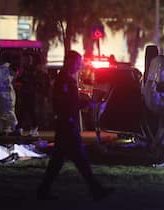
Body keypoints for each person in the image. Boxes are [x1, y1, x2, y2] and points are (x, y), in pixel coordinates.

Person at [37, 50, 112, 200]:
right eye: (77, 62)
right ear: (70, 61)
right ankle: (96, 190)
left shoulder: (66, 79)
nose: (79, 66)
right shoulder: (64, 80)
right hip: (67, 124)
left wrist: (85, 103)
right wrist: (74, 112)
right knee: (78, 159)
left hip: (66, 123)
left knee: (61, 160)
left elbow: (70, 102)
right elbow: (63, 103)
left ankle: (44, 190)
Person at [0, 55, 18, 136]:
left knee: (5, 111)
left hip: (4, 93)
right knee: (6, 111)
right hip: (5, 93)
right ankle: (7, 128)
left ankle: (10, 127)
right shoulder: (8, 69)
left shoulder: (4, 69)